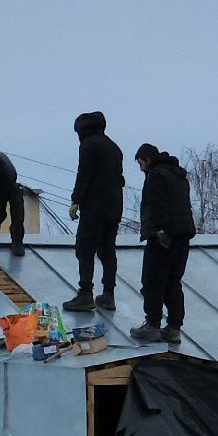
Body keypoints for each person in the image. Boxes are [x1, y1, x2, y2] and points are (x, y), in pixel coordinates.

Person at [131, 143, 196, 344]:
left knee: (152, 280)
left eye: (141, 163)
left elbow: (157, 203)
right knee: (173, 282)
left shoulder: (156, 175)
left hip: (163, 237)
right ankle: (174, 327)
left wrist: (158, 229)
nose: (141, 168)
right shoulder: (178, 176)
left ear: (148, 160)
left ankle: (152, 325)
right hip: (183, 236)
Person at [63, 111, 124, 313]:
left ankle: (85, 293)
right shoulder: (114, 147)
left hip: (94, 207)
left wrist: (76, 201)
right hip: (114, 207)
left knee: (84, 248)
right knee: (108, 251)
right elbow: (119, 179)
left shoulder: (89, 145)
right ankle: (108, 294)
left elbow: (84, 174)